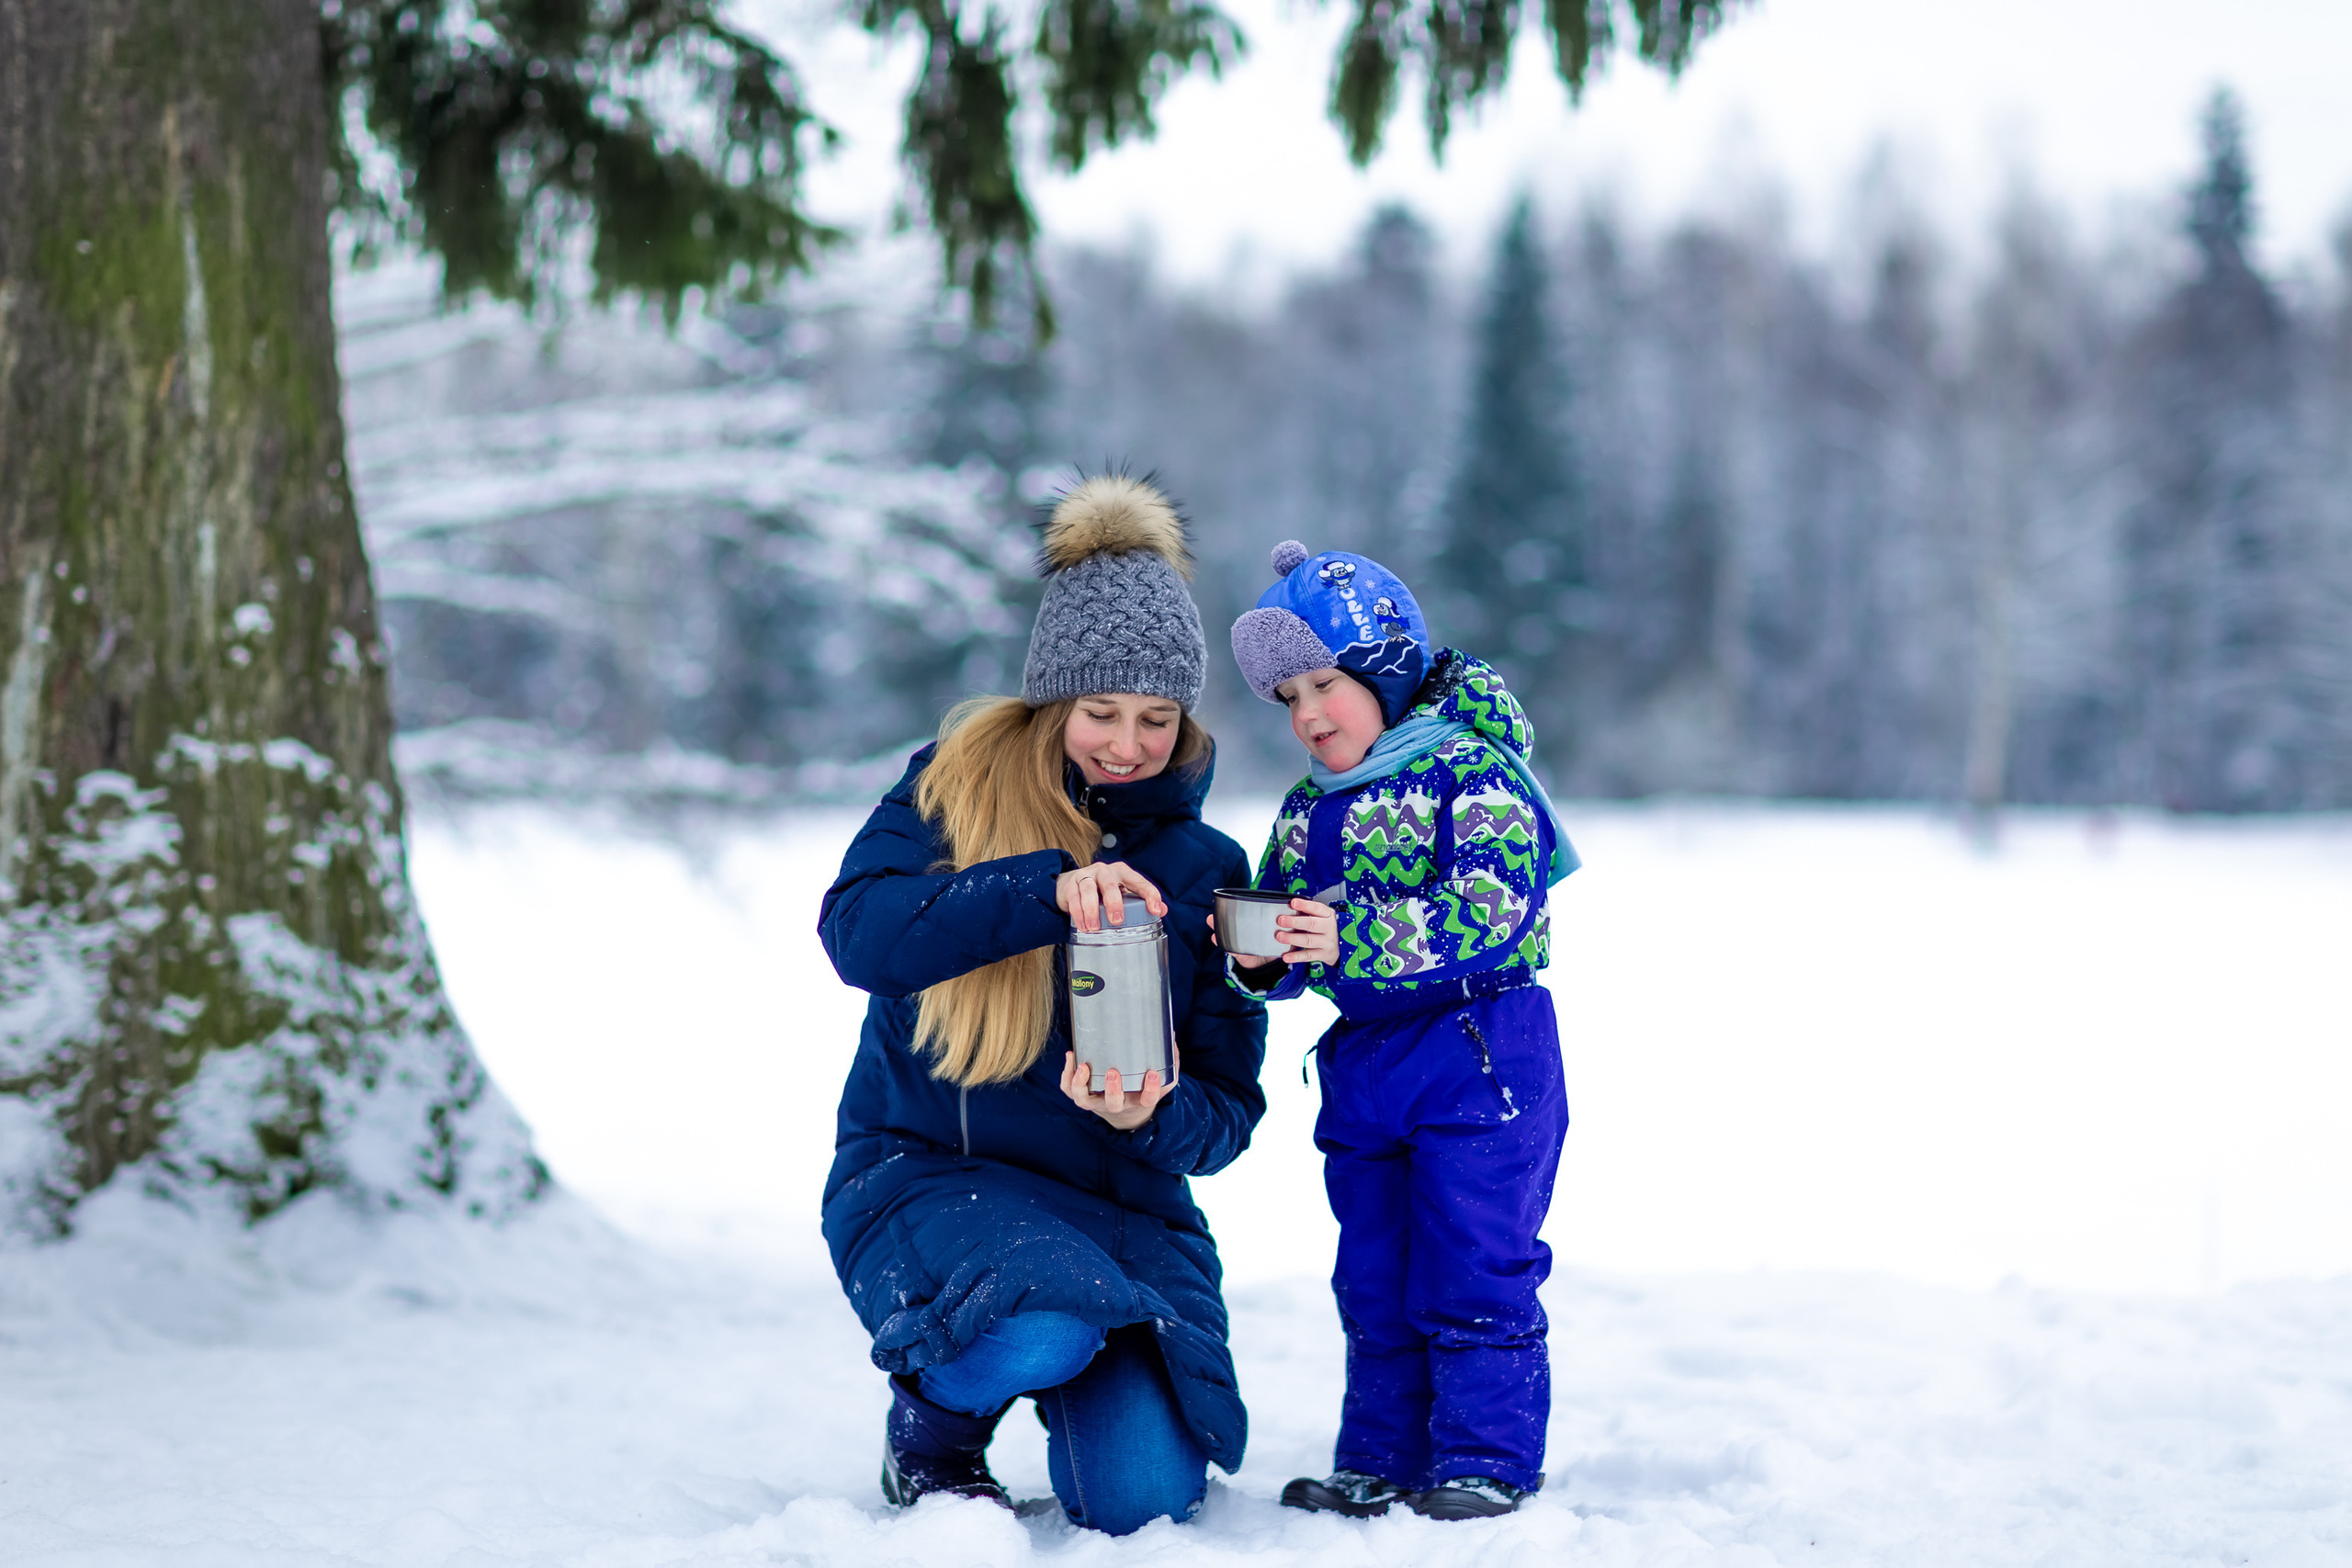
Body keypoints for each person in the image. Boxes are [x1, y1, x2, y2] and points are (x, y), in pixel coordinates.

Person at [818, 476, 1269, 1536]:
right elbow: (860, 934)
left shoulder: (1208, 868)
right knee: (1041, 1324)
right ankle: (932, 1438)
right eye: (1100, 712)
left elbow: (1229, 1110)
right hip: (936, 1175)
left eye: (1157, 717)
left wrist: (1146, 1116)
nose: (1127, 743)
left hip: (1123, 1212)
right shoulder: (949, 794)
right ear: (1052, 700)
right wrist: (1038, 890)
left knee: (1141, 1501)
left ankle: (1082, 1362)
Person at [1218, 539, 1579, 1521]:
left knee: (1472, 1262)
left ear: (1382, 669)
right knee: (1374, 1272)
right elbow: (1291, 930)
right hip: (1366, 1064)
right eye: (1287, 697)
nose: (1306, 715)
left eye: (1324, 683)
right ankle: (1378, 1456)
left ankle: (1483, 1460)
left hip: (1479, 1050)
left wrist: (1351, 934)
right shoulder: (1306, 808)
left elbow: (1492, 904)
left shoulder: (1474, 771)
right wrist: (1264, 957)